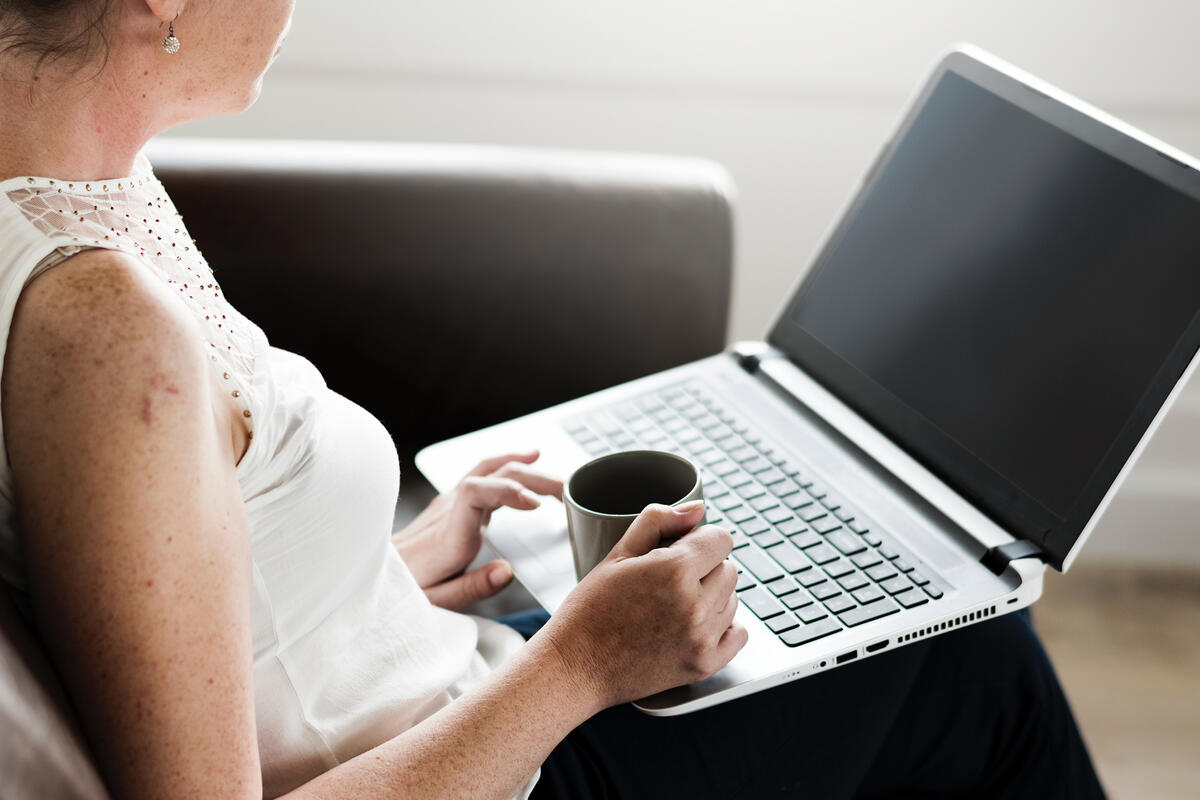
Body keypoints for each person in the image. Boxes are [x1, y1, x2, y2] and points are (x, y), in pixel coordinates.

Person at [0, 2, 1106, 798]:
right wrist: (574, 666)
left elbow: (188, 571)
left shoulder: (80, 173)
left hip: (430, 683)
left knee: (768, 600)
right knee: (972, 654)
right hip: (485, 757)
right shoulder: (103, 333)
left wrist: (368, 581)